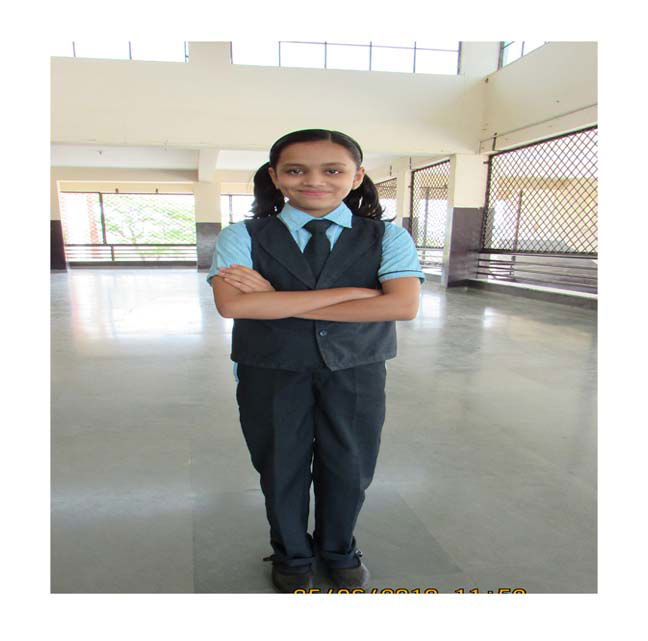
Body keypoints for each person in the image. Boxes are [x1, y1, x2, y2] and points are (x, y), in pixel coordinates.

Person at [206, 128, 424, 593]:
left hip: (356, 370)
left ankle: (339, 549)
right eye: (296, 170)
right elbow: (233, 305)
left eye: (332, 170)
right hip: (270, 369)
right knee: (279, 464)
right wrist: (353, 294)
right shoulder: (241, 236)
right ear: (275, 176)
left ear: (356, 176)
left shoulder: (388, 236)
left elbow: (402, 306)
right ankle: (291, 553)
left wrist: (276, 300)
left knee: (350, 463)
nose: (314, 181)